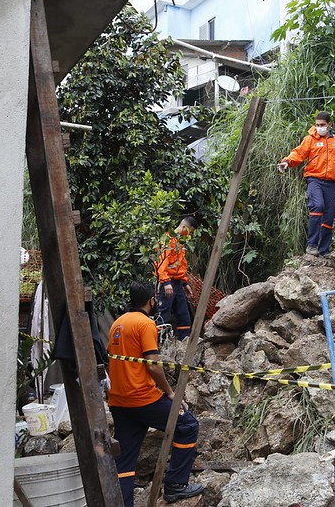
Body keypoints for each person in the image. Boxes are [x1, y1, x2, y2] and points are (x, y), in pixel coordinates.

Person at [107, 282, 204, 506]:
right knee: (187, 425)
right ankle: (176, 484)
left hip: (119, 401)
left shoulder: (117, 324)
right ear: (151, 300)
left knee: (125, 461)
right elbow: (152, 365)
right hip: (142, 398)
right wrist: (169, 393)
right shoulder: (145, 324)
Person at [277, 111, 335, 256]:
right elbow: (298, 154)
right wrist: (286, 161)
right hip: (314, 179)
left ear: (329, 125)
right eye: (317, 125)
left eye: (322, 125)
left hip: (331, 182)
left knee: (329, 215)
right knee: (318, 206)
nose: (319, 127)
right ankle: (312, 245)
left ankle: (324, 249)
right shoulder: (310, 139)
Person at [155, 216, 198, 340]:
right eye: (191, 231)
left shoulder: (179, 243)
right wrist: (166, 282)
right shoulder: (168, 241)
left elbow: (179, 267)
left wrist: (185, 284)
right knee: (164, 313)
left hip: (178, 283)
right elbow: (161, 264)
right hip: (168, 282)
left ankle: (184, 340)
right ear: (184, 227)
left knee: (183, 313)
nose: (190, 235)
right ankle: (160, 342)